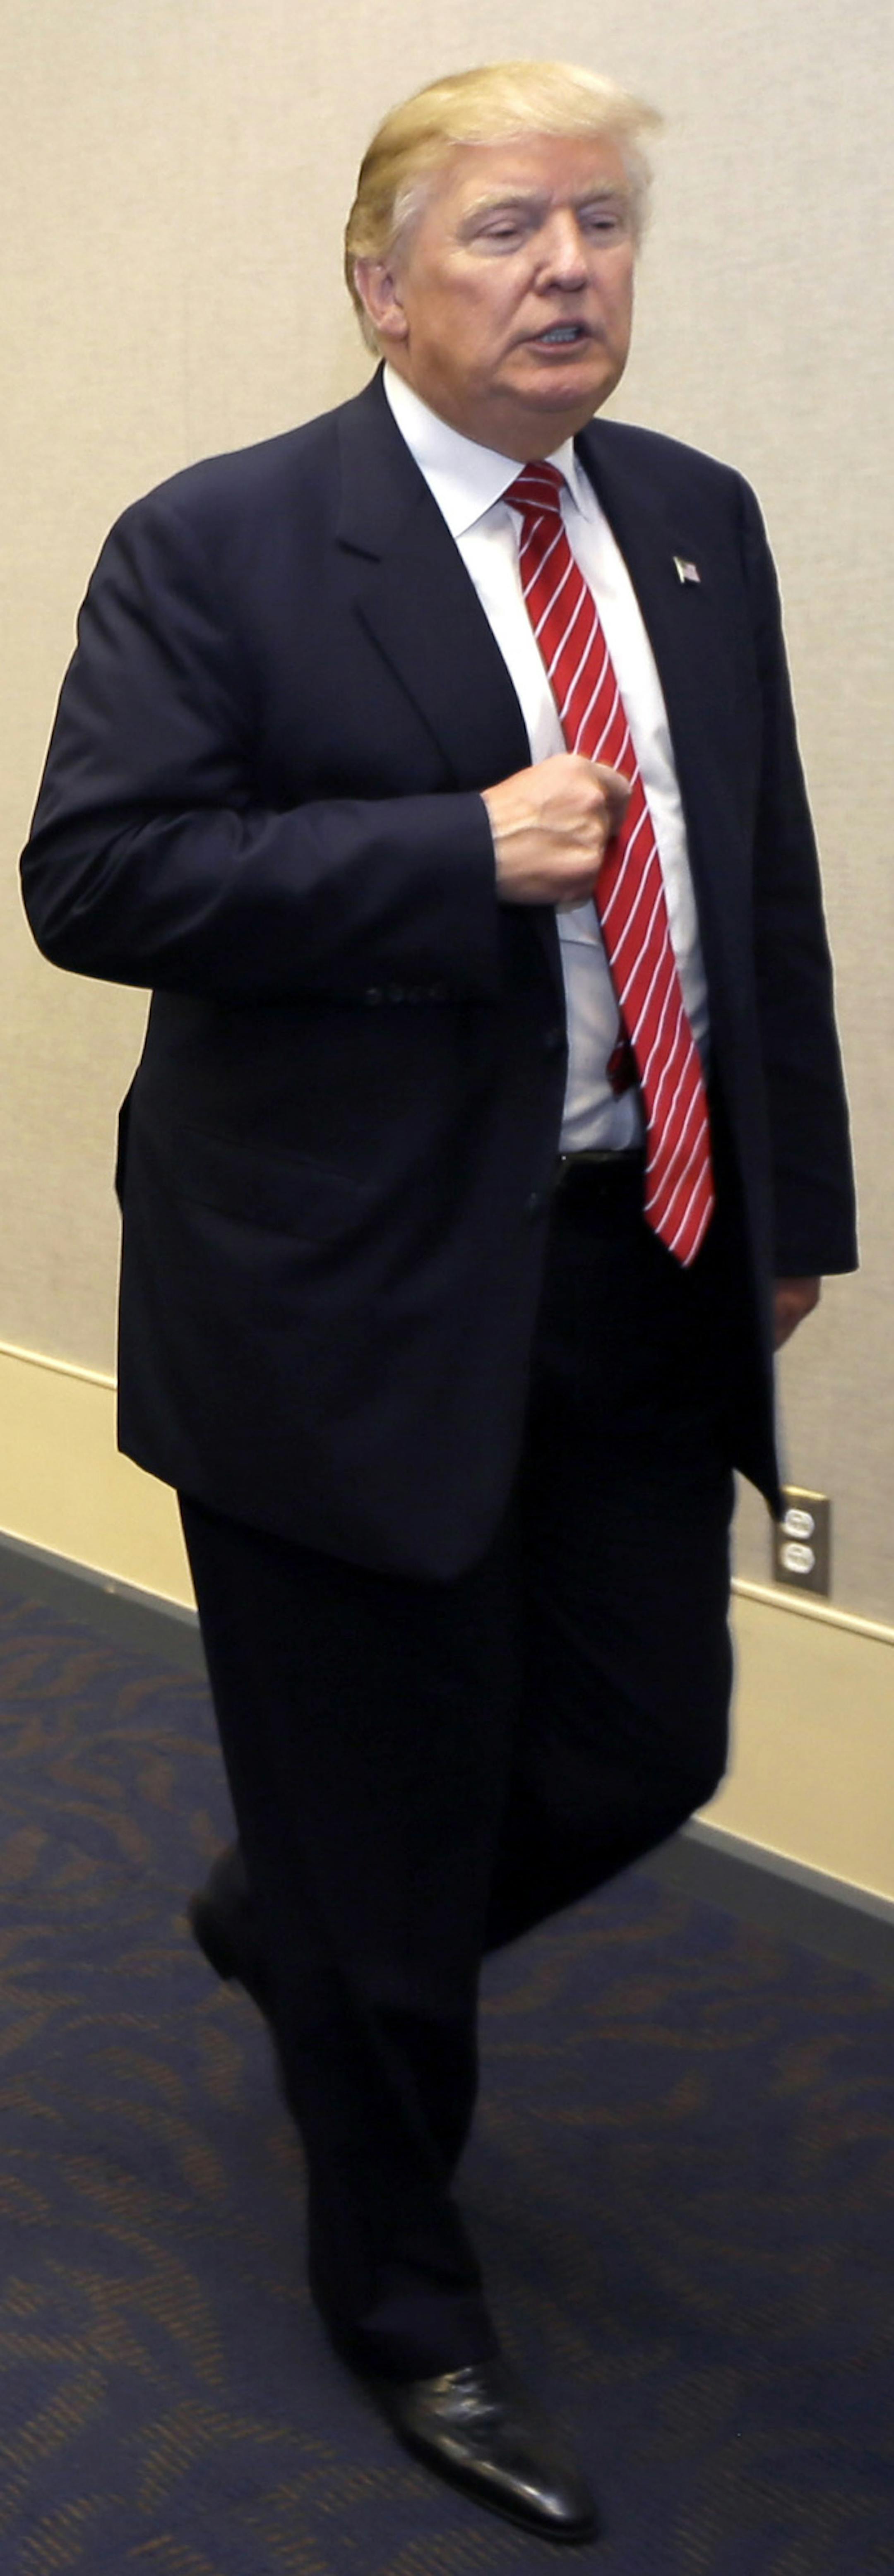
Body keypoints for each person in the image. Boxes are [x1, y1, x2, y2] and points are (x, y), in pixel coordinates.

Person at [21, 60, 856, 2544]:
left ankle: (297, 1926)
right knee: (386, 1827)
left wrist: (791, 1196)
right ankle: (405, 2300)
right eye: (506, 231)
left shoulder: (697, 525)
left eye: (600, 226)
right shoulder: (230, 542)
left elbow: (761, 891)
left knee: (636, 1737)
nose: (569, 271)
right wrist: (449, 850)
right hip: (337, 1298)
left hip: (636, 1251)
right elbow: (101, 873)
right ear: (382, 279)